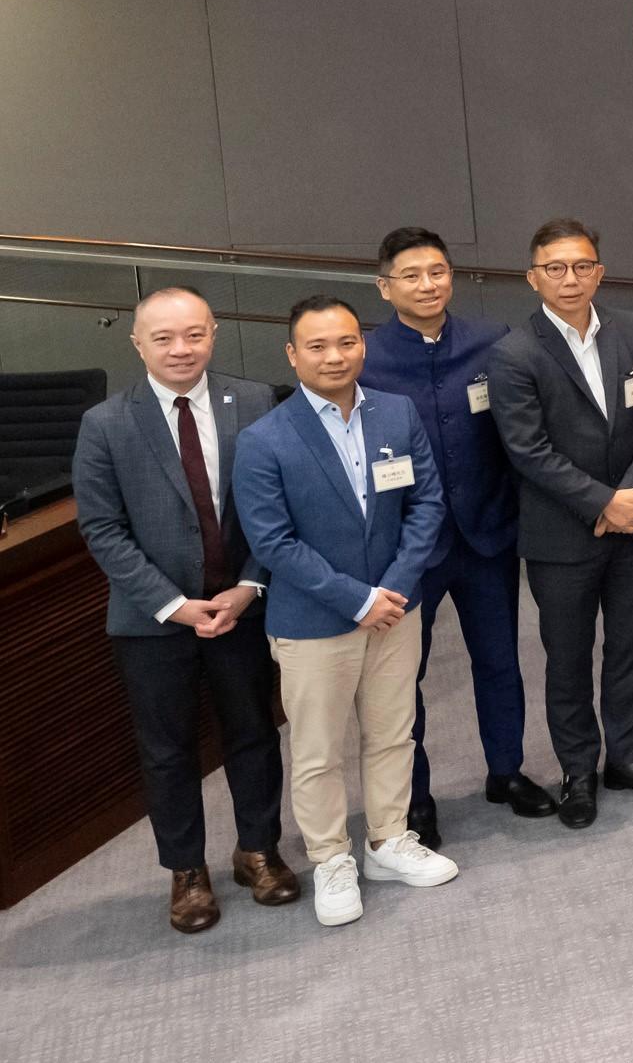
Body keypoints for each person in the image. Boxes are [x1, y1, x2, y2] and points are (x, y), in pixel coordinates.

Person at [71, 288, 297, 933]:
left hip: (240, 609)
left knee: (253, 732)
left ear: (214, 334)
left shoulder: (253, 402)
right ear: (137, 342)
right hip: (152, 622)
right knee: (168, 750)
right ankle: (187, 872)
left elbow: (273, 510)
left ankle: (258, 851)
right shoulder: (106, 423)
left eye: (193, 335)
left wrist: (250, 587)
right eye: (164, 338)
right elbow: (103, 529)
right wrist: (174, 606)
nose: (181, 349)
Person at [233, 297, 459, 926]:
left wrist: (395, 585)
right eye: (317, 346)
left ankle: (387, 841)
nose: (334, 357)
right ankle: (331, 857)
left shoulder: (396, 412)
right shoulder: (265, 439)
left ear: (363, 345)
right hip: (314, 623)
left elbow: (427, 504)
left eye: (346, 342)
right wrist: (356, 598)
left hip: (394, 609)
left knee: (393, 732)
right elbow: (272, 542)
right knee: (319, 750)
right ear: (292, 354)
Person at [487, 217, 633, 827]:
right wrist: (603, 502)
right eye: (555, 268)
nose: (570, 278)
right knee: (568, 657)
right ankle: (579, 770)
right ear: (533, 278)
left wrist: (630, 496)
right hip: (561, 533)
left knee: (632, 646)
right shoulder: (514, 352)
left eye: (581, 266)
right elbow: (528, 450)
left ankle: (628, 756)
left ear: (599, 271)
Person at [362, 228, 555, 841]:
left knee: (500, 661)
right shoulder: (365, 356)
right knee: (403, 681)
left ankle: (508, 771)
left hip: (486, 534)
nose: (428, 285)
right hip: (404, 549)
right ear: (385, 286)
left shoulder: (490, 341)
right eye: (412, 275)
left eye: (438, 271)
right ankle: (415, 798)